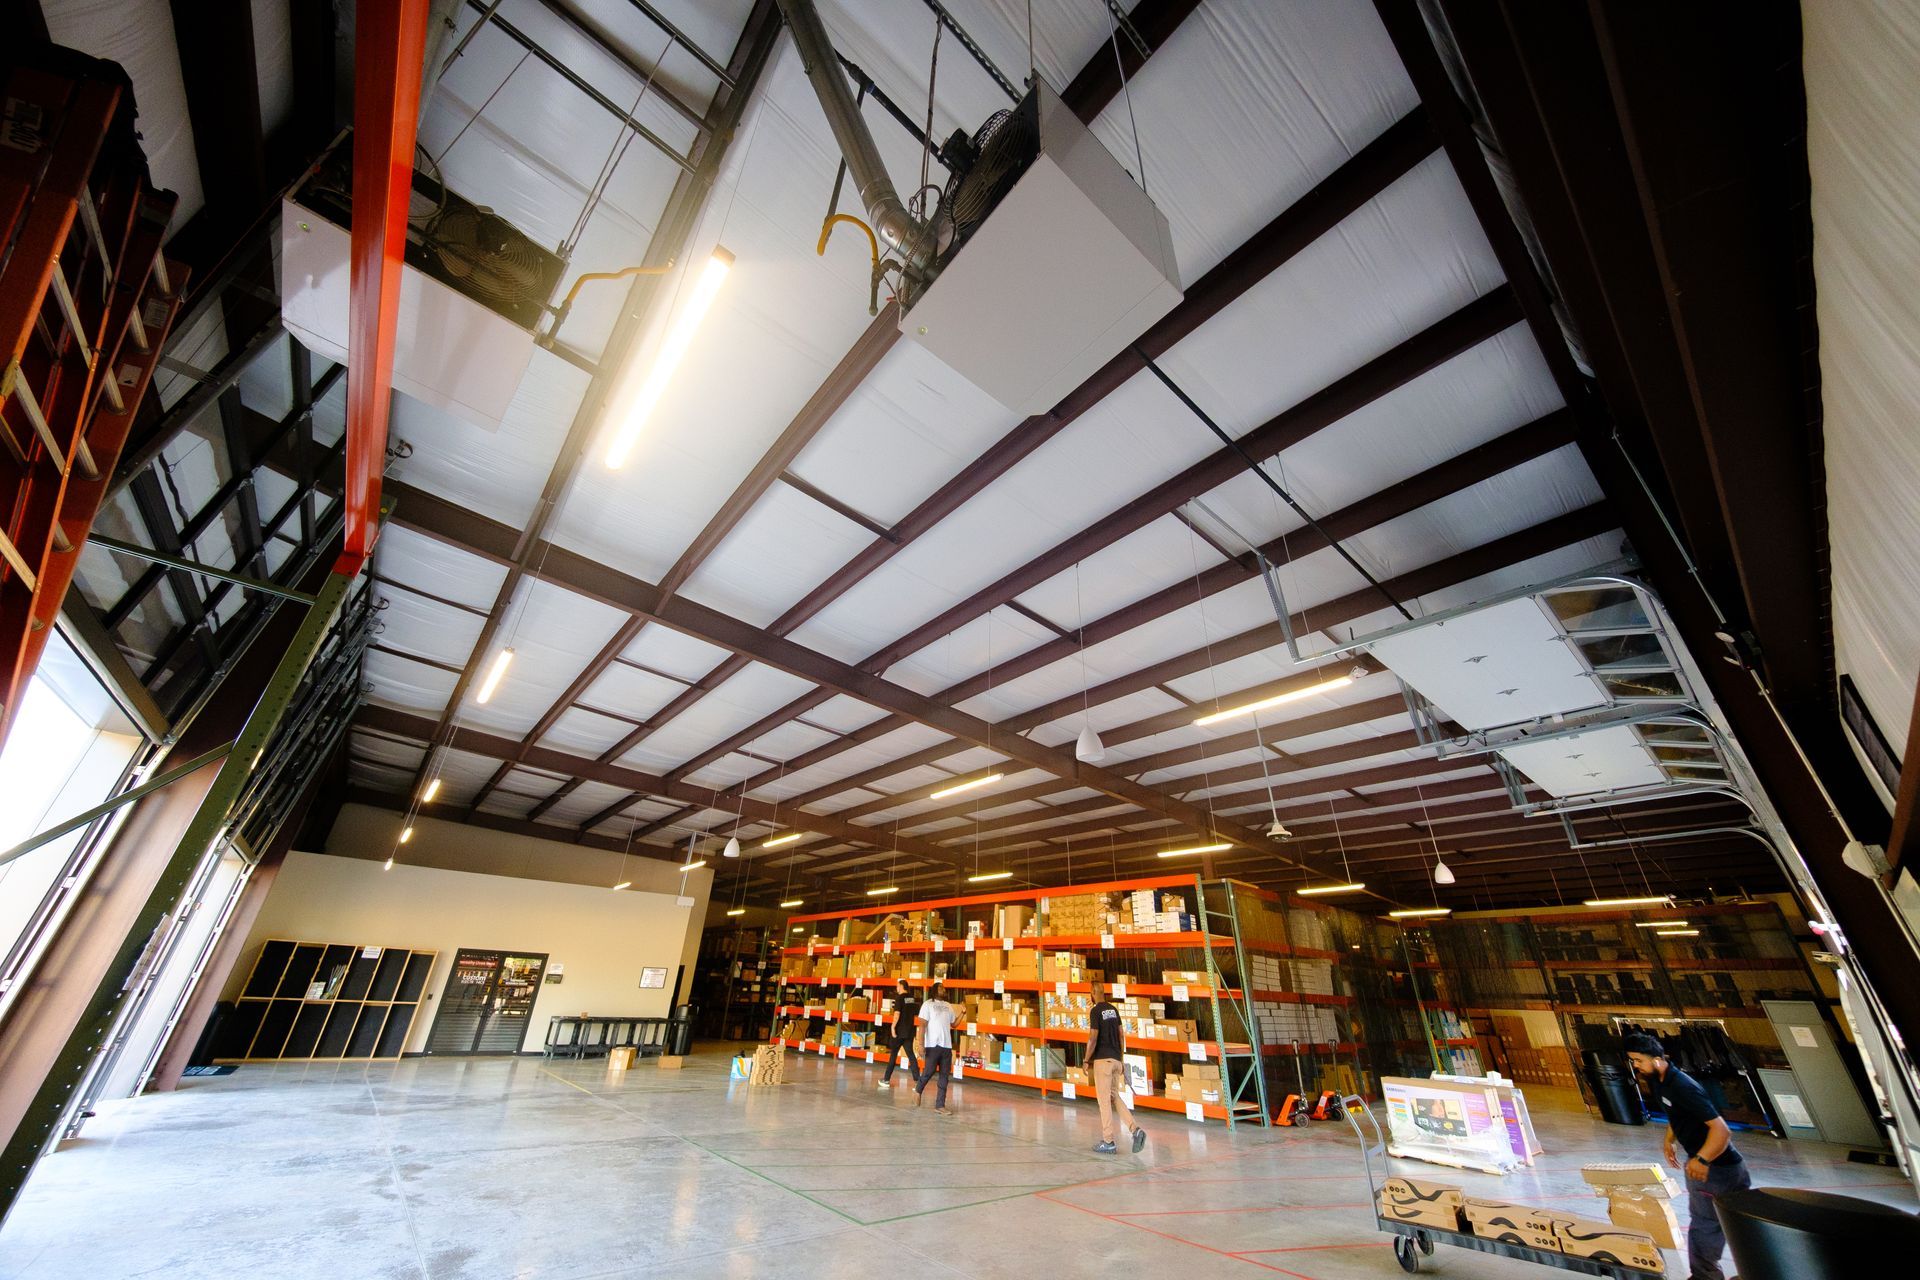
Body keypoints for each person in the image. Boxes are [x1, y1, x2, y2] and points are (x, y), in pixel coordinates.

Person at [1624, 1033, 1750, 1280]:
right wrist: (1669, 1139)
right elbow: (1677, 1114)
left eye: (1638, 1060)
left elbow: (1721, 1130)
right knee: (1719, 1224)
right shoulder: (1660, 1080)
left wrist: (1702, 1160)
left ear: (1658, 1059)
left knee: (1705, 1226)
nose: (1636, 1066)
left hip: (1718, 1170)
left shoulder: (1683, 1086)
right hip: (1710, 1165)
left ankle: (1705, 1277)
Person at [1085, 981, 1146, 1154]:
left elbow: (1093, 1038)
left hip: (1102, 1062)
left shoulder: (1095, 1011)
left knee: (1103, 1101)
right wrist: (1121, 1059)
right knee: (1114, 1097)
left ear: (1092, 993)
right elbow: (1121, 1034)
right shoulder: (1114, 1010)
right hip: (1116, 1060)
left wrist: (1085, 1059)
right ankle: (1135, 1130)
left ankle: (1108, 1140)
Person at [912, 983, 959, 1115]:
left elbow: (954, 1024)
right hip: (932, 1045)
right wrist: (920, 1044)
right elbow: (922, 1026)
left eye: (944, 988)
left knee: (945, 1076)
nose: (943, 989)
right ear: (934, 990)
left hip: (946, 1046)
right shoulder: (927, 1005)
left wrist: (963, 1012)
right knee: (929, 1071)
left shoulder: (948, 1006)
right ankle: (918, 1090)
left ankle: (940, 1105)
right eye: (940, 988)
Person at [876, 978, 921, 1090]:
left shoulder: (900, 998)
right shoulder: (912, 998)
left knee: (893, 1055)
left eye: (897, 986)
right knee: (911, 1056)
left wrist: (893, 1027)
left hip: (899, 1031)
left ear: (901, 986)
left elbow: (897, 1014)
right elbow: (916, 1013)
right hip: (909, 1031)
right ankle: (918, 1082)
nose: (896, 988)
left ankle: (886, 1080)